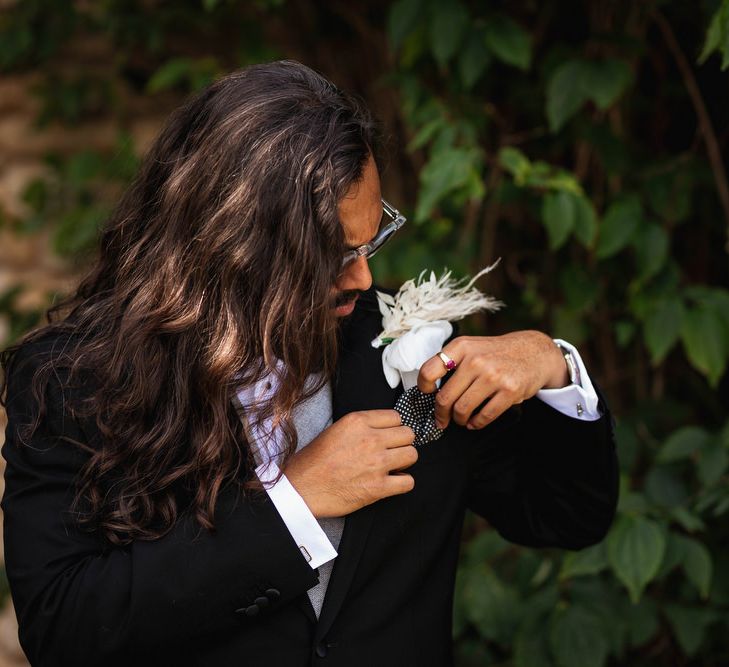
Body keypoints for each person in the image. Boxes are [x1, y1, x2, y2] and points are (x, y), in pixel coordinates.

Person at [1, 60, 618, 667]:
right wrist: (294, 503)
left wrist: (552, 366)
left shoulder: (410, 345)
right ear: (231, 240)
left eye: (369, 243)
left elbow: (566, 516)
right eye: (330, 255)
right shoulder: (74, 380)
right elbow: (64, 627)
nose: (365, 276)